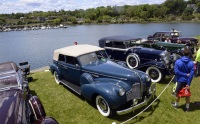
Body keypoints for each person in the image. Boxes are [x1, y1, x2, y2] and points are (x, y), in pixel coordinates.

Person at [171, 46, 195, 112]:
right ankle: (187, 108)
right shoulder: (191, 63)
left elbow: (176, 71)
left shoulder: (178, 61)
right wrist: (188, 83)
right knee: (187, 94)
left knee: (178, 93)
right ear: (189, 54)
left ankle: (176, 105)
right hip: (187, 81)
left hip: (180, 80)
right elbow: (191, 74)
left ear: (183, 53)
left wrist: (184, 74)